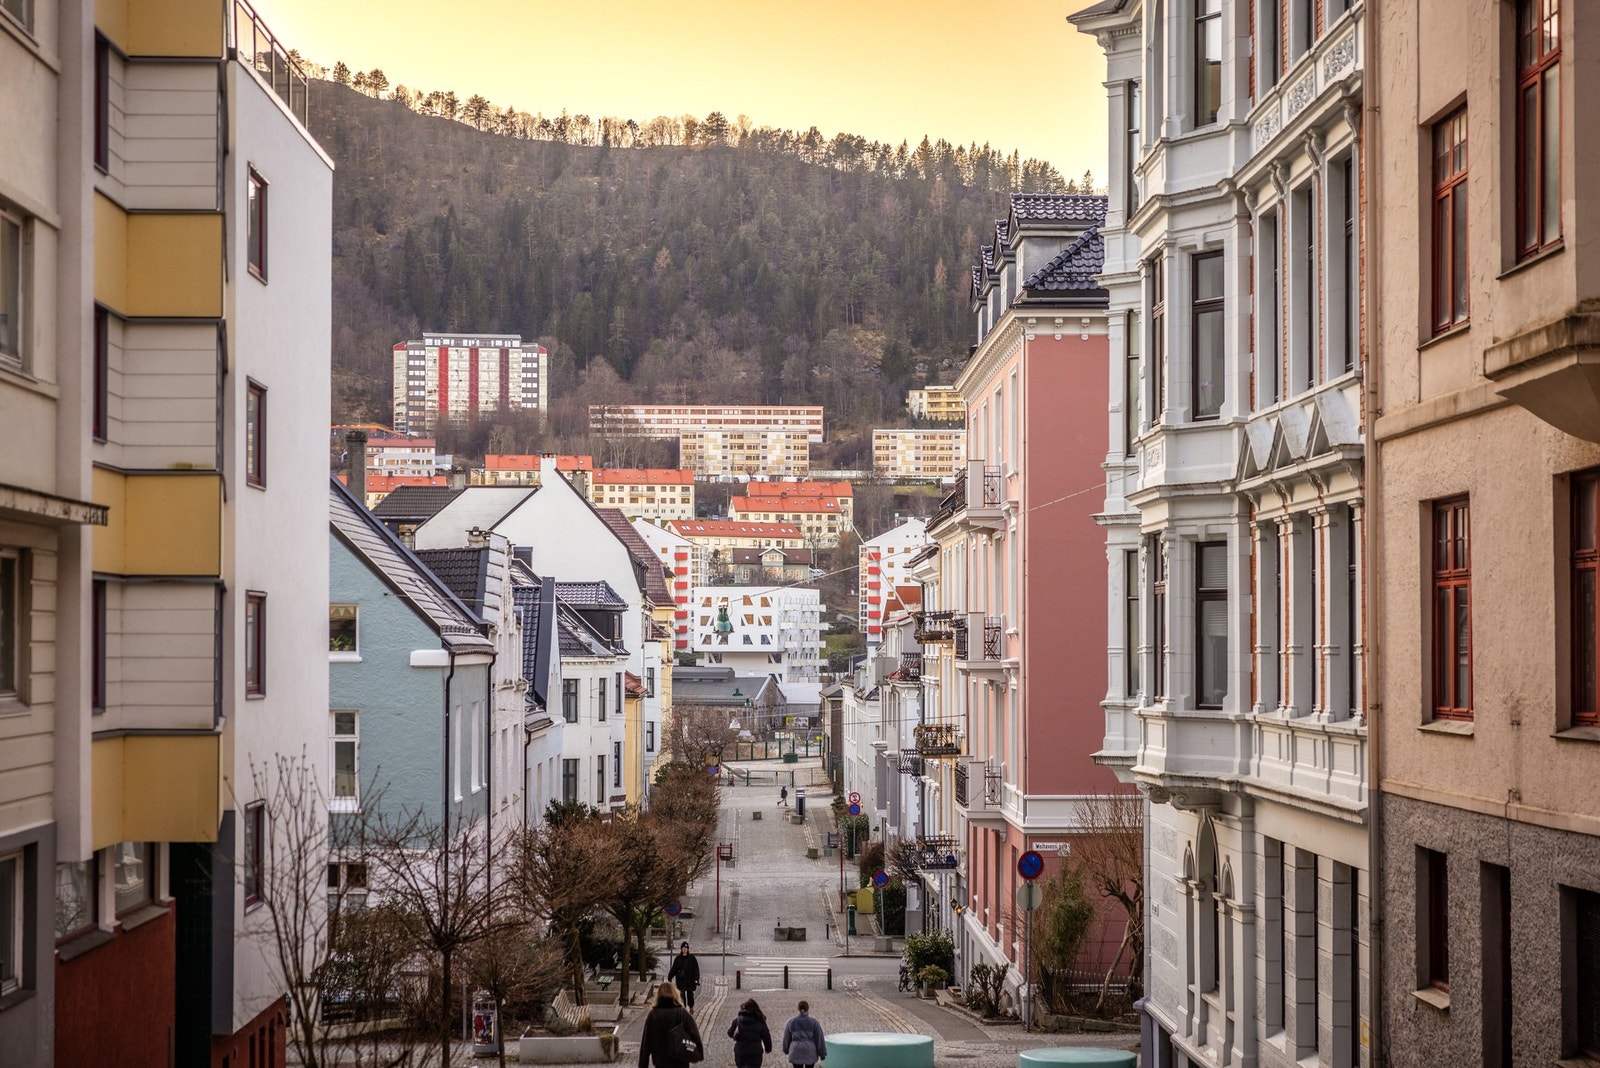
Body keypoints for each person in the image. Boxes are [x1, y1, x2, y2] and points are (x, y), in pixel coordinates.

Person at [639, 982, 704, 1068]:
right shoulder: (682, 1013)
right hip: (680, 1059)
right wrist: (700, 1053)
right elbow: (694, 1033)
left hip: (661, 1061)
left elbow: (646, 1042)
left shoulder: (653, 1015)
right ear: (675, 994)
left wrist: (643, 1064)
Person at [727, 998, 773, 1068]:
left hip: (740, 1052)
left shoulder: (738, 1020)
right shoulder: (760, 1022)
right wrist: (768, 1048)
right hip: (755, 1054)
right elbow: (766, 1036)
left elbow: (729, 1033)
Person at [781, 1000, 826, 1068]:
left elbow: (786, 1037)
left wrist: (786, 1049)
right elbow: (819, 1039)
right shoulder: (814, 1022)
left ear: (798, 1009)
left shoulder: (791, 1022)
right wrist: (822, 1054)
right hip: (810, 1051)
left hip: (796, 1050)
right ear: (808, 1008)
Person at [666, 941, 701, 1010]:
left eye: (686, 948)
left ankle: (691, 1006)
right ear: (681, 949)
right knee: (681, 995)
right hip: (681, 980)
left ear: (688, 949)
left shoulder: (692, 958)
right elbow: (674, 969)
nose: (684, 949)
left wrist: (696, 978)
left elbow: (696, 969)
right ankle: (683, 1008)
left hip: (690, 980)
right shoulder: (678, 959)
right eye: (683, 948)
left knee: (690, 995)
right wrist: (670, 978)